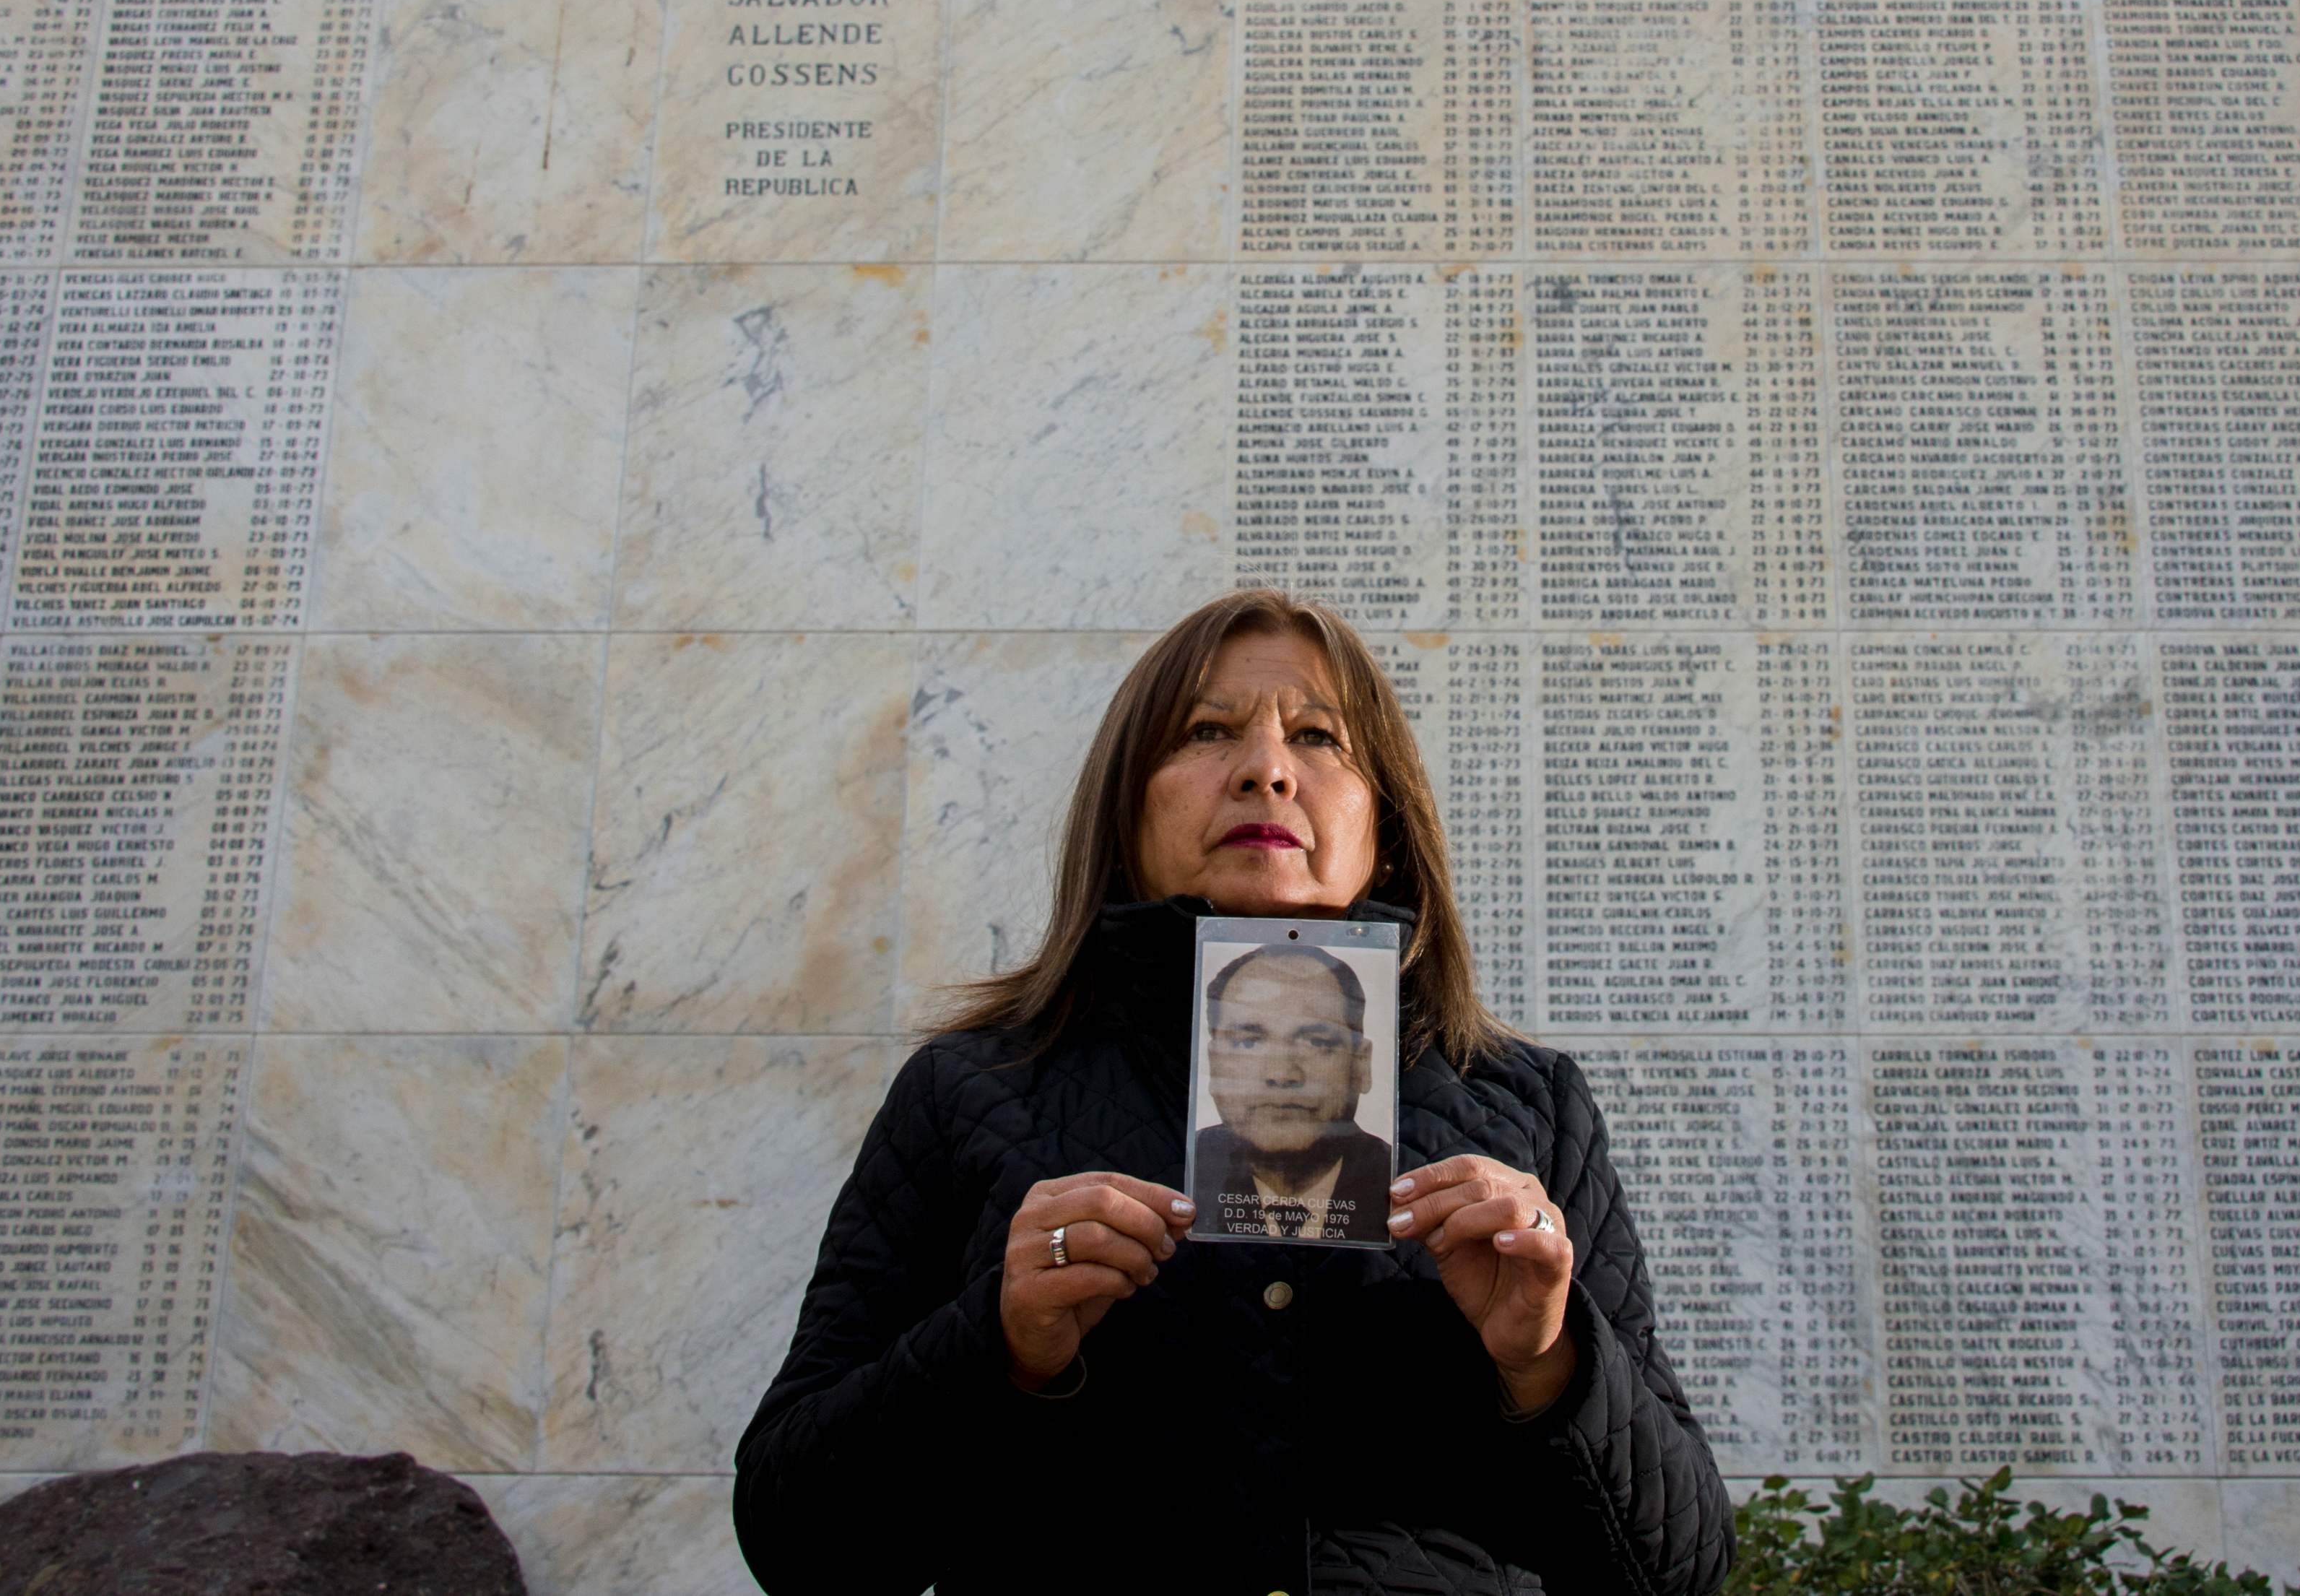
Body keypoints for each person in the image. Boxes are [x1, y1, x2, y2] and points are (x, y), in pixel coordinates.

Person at [734, 589, 1732, 1596]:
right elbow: (797, 1541)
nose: (1264, 769)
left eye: (1317, 736)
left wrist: (1550, 1361)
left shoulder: (1523, 1103)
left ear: (1383, 821)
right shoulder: (971, 1088)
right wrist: (1000, 1344)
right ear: (1127, 806)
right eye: (1207, 731)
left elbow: (1677, 1569)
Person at [1190, 943, 1394, 1243]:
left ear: (1361, 1065)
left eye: (1316, 1042)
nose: (1282, 1074)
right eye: (1248, 1043)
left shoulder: (1409, 1182)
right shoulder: (1167, 1176)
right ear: (1214, 1063)